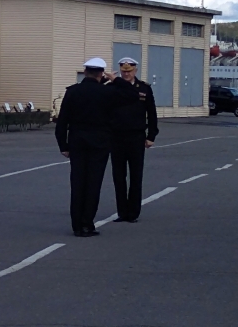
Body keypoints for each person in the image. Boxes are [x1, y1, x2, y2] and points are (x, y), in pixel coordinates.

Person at [54, 57, 123, 237]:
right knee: (93, 183)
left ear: (85, 72)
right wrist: (115, 80)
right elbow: (130, 95)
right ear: (101, 73)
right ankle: (87, 224)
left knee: (77, 183)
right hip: (100, 142)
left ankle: (77, 225)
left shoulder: (73, 91)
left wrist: (63, 145)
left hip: (77, 142)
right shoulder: (108, 92)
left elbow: (62, 121)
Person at [108, 57, 159, 223]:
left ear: (135, 70)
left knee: (136, 176)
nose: (126, 74)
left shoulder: (144, 88)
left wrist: (151, 135)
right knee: (118, 176)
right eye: (123, 71)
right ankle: (122, 212)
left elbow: (151, 113)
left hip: (136, 136)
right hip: (116, 136)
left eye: (129, 71)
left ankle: (133, 213)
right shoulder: (112, 87)